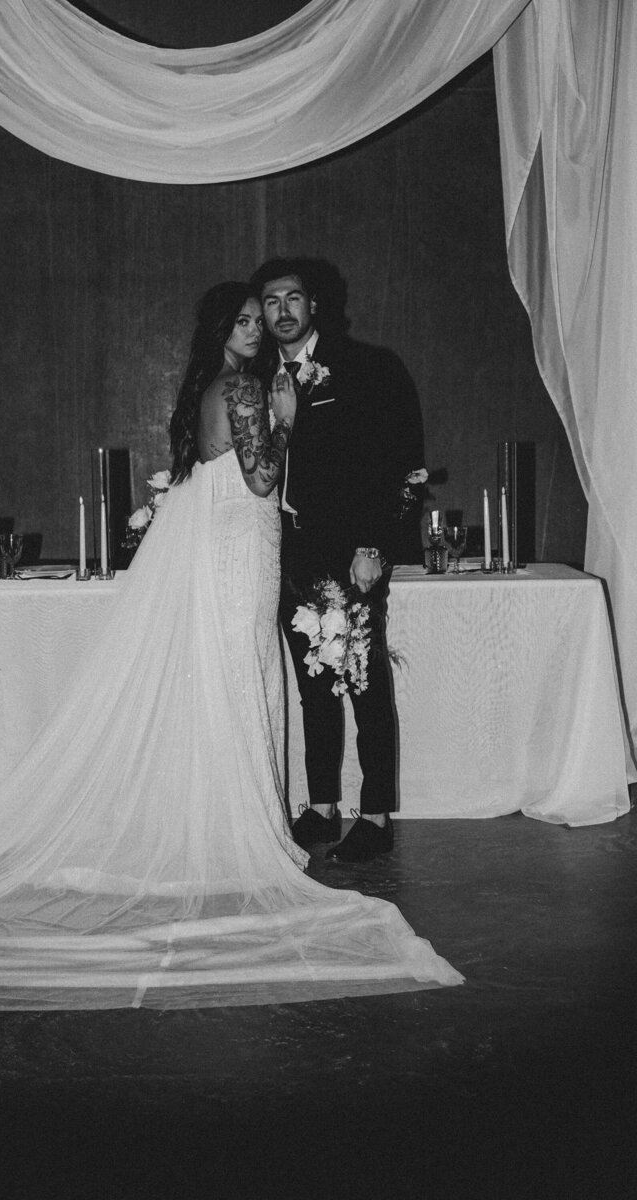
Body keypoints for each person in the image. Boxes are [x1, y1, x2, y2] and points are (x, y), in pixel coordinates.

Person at [0, 282, 458, 1010]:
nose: (257, 329)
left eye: (263, 319)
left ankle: (237, 818)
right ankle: (235, 831)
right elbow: (261, 478)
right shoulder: (244, 389)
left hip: (237, 546)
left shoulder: (215, 383)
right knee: (238, 674)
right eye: (246, 320)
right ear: (223, 330)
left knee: (234, 673)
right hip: (241, 549)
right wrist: (285, 421)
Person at [250, 257, 425, 863]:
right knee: (312, 683)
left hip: (352, 550)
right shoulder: (257, 376)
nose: (283, 311)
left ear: (315, 304)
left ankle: (374, 814)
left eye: (293, 298)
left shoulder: (365, 368)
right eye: (271, 302)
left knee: (363, 679)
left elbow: (395, 462)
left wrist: (374, 546)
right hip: (286, 547)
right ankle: (322, 806)